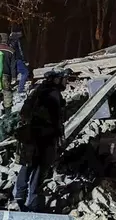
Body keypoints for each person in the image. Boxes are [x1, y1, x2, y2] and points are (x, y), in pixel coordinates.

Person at [13, 68, 71, 212]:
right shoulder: (54, 94)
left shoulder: (38, 90)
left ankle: (19, 196)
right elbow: (55, 119)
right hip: (45, 137)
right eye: (64, 79)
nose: (66, 82)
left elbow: (25, 112)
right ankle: (33, 201)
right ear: (57, 79)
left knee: (27, 164)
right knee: (39, 168)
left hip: (31, 134)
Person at [0, 33, 17, 114]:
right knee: (7, 93)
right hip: (6, 75)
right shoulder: (11, 51)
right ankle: (7, 112)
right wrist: (14, 77)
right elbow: (13, 66)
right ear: (7, 40)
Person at [9, 27, 28, 94]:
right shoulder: (17, 39)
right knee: (25, 72)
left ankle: (9, 88)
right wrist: (23, 59)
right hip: (18, 59)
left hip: (12, 60)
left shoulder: (10, 40)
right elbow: (20, 51)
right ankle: (20, 89)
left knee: (14, 73)